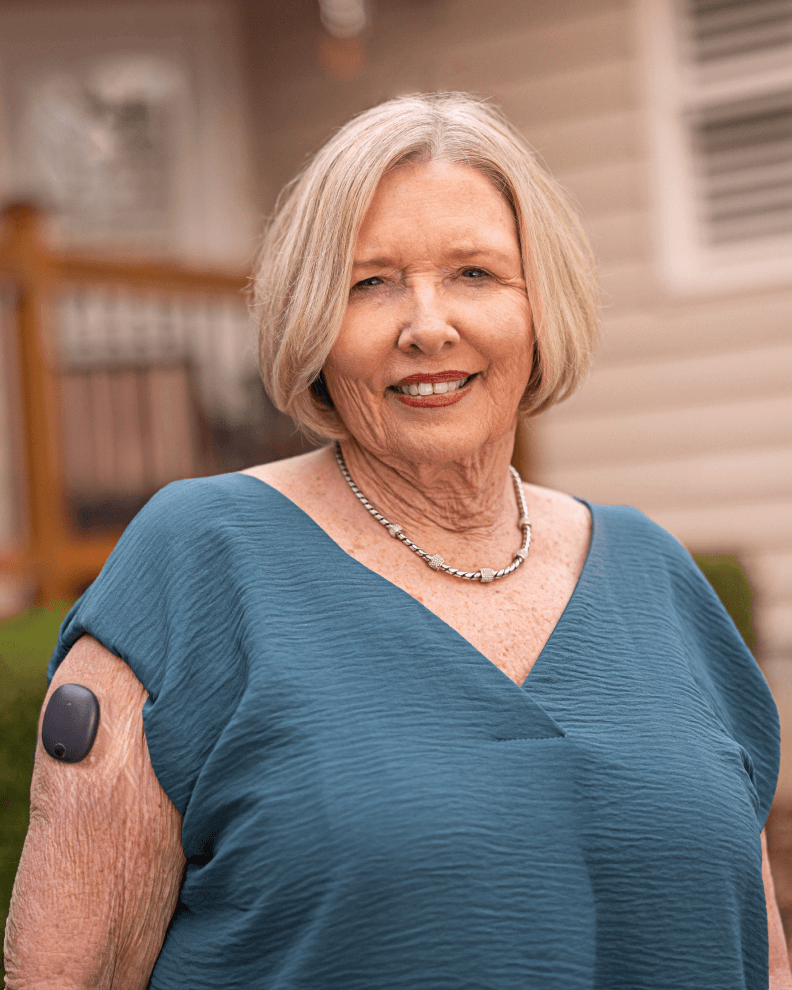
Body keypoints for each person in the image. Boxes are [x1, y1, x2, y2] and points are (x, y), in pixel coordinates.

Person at [4, 92, 790, 990]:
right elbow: (71, 974)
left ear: (542, 307)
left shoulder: (658, 576)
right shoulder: (196, 564)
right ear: (314, 323)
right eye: (368, 282)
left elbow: (759, 958)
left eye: (474, 274)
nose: (427, 325)